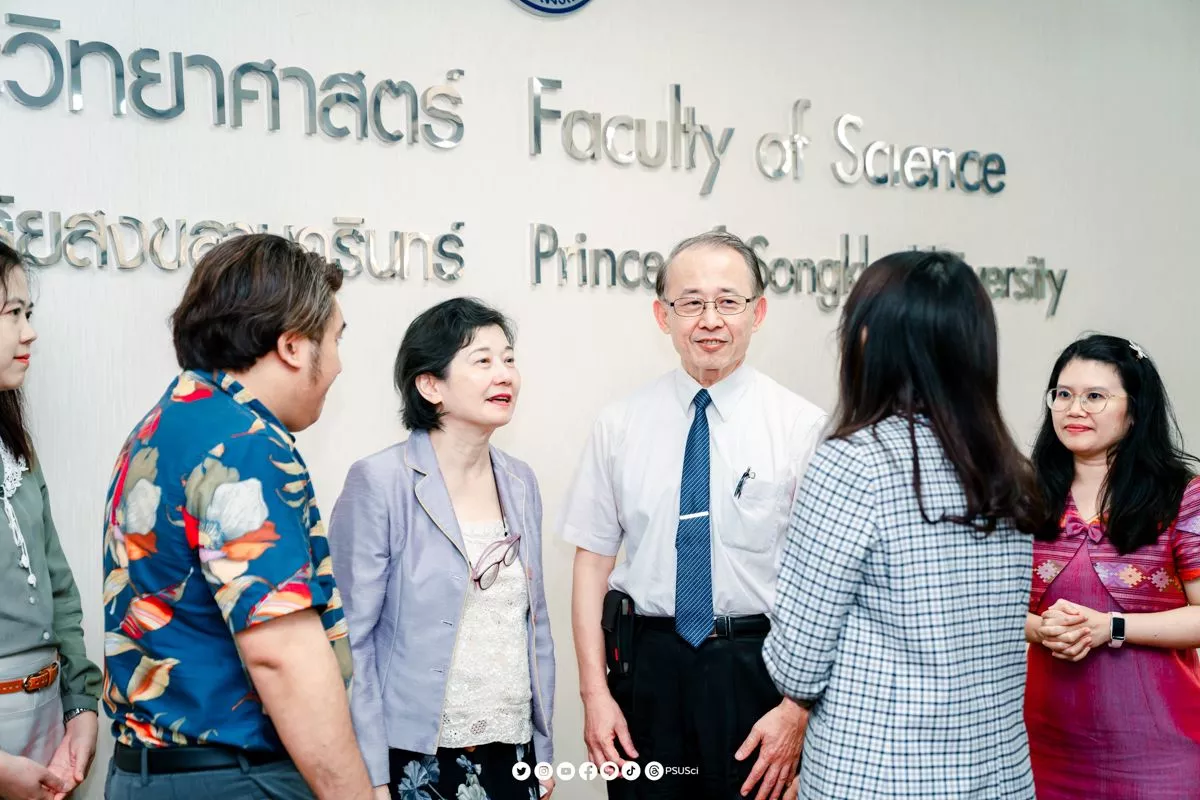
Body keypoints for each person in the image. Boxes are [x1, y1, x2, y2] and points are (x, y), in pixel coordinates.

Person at [101, 234, 372, 799]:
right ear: (293, 346)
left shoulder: (165, 424)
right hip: (233, 779)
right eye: (336, 339)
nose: (339, 365)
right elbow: (281, 656)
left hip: (147, 776)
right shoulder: (243, 447)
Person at [764, 250, 1042, 799]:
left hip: (881, 772)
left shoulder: (855, 461)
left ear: (869, 339)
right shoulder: (1007, 467)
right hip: (997, 773)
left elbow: (799, 660)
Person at [560, 230, 827, 799]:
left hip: (760, 671)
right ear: (663, 315)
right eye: (691, 303)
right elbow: (592, 564)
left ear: (758, 312)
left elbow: (824, 581)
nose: (710, 320)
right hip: (647, 671)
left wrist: (796, 710)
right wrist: (594, 694)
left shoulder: (800, 427)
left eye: (728, 301)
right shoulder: (620, 424)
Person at [329, 297, 555, 800]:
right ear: (430, 385)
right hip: (414, 755)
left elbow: (535, 626)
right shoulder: (379, 482)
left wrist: (543, 753)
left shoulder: (521, 482)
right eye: (483, 360)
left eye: (509, 359)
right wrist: (370, 774)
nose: (504, 374)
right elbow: (350, 642)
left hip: (512, 748)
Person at [1024, 334, 1200, 798]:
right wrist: (1040, 629)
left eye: (1095, 396)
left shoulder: (1183, 496)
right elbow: (982, 606)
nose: (1074, 409)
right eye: (1063, 394)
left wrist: (1111, 628)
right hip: (1041, 745)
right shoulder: (1022, 494)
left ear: (1135, 410)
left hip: (1162, 750)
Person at [0, 241, 101, 800]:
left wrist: (80, 707)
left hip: (48, 718)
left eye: (28, 312)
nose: (29, 332)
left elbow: (58, 586)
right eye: (13, 313)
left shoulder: (15, 449)